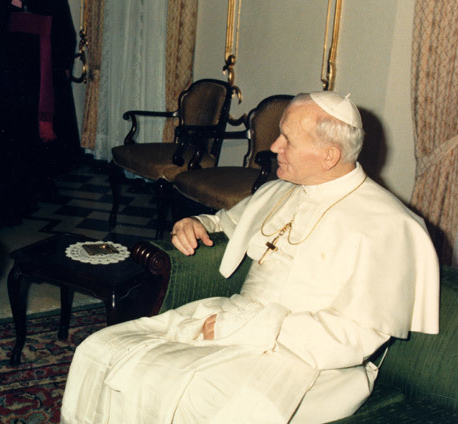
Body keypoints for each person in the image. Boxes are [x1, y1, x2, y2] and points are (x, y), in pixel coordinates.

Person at [61, 92, 440, 423]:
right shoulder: (283, 189)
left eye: (287, 140)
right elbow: (227, 220)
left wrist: (246, 328)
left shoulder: (389, 226)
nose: (274, 147)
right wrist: (197, 222)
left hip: (310, 364)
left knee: (187, 391)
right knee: (101, 349)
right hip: (232, 320)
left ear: (329, 155)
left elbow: (355, 337)